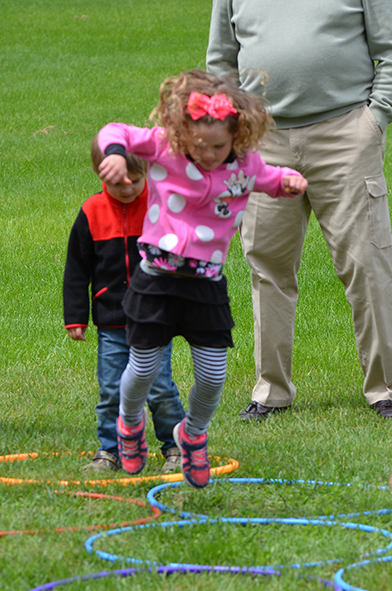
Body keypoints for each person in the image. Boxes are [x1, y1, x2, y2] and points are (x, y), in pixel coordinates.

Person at [96, 68, 308, 488]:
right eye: (199, 146)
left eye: (218, 146)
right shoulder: (164, 147)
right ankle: (130, 422)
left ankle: (191, 434)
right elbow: (112, 129)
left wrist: (289, 182)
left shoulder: (244, 165)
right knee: (143, 367)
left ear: (237, 136)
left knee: (213, 376)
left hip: (206, 285)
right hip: (156, 279)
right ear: (182, 133)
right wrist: (118, 154)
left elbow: (269, 180)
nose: (208, 154)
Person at [206, 0, 392, 420]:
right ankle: (271, 392)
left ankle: (386, 388)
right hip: (263, 141)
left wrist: (375, 118)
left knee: (368, 261)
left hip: (346, 133)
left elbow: (390, 50)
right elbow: (221, 62)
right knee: (267, 265)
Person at [63, 138, 185, 474]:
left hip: (155, 320)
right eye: (118, 182)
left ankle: (175, 446)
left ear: (147, 171)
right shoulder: (91, 212)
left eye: (135, 179)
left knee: (159, 387)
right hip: (112, 324)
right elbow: (76, 270)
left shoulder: (161, 207)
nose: (128, 187)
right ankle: (110, 451)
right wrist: (76, 316)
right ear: (101, 174)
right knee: (111, 389)